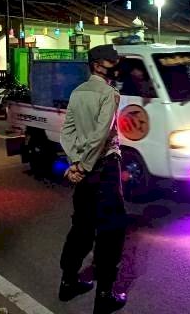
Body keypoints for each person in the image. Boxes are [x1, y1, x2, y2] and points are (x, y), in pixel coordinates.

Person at [59, 44, 127, 314]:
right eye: (113, 62)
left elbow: (67, 132)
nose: (116, 67)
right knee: (111, 230)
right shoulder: (109, 94)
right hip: (104, 168)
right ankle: (105, 295)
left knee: (82, 227)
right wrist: (85, 165)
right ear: (99, 64)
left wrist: (75, 163)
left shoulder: (77, 93)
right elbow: (101, 135)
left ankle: (68, 282)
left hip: (84, 169)